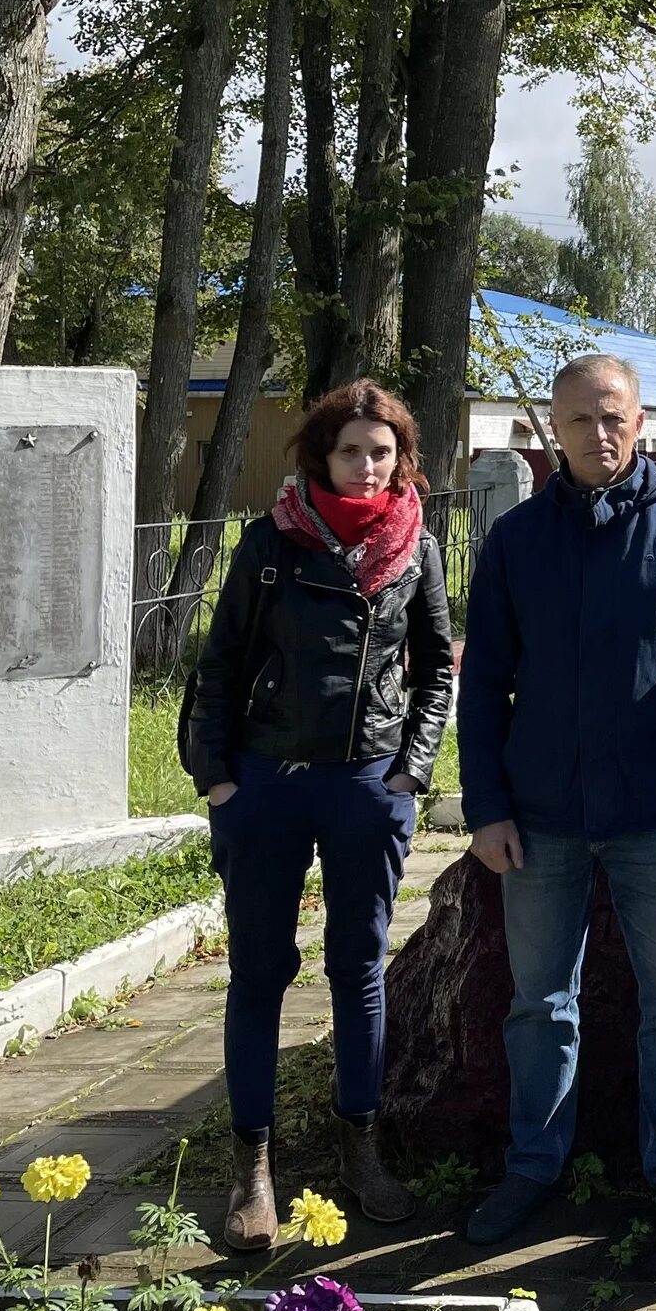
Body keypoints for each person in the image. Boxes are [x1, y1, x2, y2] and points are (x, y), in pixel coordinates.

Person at [455, 353, 656, 1247]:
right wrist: (486, 806)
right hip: (540, 818)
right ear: (555, 427)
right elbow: (485, 685)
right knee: (539, 1002)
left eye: (613, 416)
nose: (598, 433)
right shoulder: (516, 540)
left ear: (639, 420)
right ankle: (532, 1166)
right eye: (580, 419)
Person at [182, 380, 453, 1249]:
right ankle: (252, 1168)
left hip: (366, 785)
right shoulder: (272, 543)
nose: (368, 466)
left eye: (382, 451)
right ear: (320, 456)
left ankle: (361, 1148)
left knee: (358, 967)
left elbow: (438, 666)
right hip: (266, 783)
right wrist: (218, 778)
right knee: (260, 970)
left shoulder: (416, 547)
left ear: (399, 458)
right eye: (351, 451)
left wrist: (409, 772)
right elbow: (220, 662)